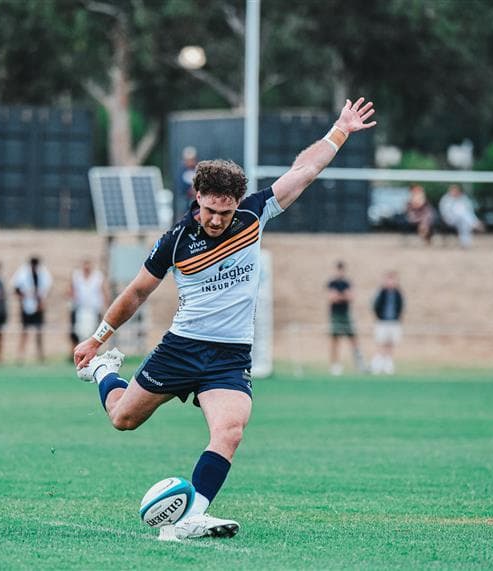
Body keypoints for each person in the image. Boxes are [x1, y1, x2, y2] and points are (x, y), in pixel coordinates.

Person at [74, 97, 376, 539]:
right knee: (123, 418)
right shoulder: (176, 240)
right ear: (197, 197)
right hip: (181, 348)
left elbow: (304, 170)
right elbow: (137, 291)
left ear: (237, 203)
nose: (216, 220)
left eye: (225, 211)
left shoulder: (254, 214)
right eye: (210, 210)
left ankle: (190, 518)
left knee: (230, 431)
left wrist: (341, 130)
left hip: (229, 356)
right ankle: (105, 371)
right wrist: (98, 340)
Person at [327, 261, 366, 375]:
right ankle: (335, 365)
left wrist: (340, 296)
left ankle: (359, 364)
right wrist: (344, 295)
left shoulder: (347, 283)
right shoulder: (332, 283)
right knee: (335, 340)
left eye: (341, 270)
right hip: (335, 314)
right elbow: (332, 298)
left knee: (353, 339)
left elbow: (351, 297)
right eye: (338, 270)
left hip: (346, 314)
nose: (340, 272)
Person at [12, 256, 52, 363]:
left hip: (39, 307)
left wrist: (42, 302)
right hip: (26, 307)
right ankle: (20, 356)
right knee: (24, 333)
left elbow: (47, 289)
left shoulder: (43, 273)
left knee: (39, 333)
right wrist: (25, 297)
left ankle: (40, 356)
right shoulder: (22, 273)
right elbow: (16, 289)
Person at [68, 259, 108, 360]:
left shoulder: (98, 277)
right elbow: (71, 290)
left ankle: (93, 354)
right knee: (76, 332)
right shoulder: (76, 276)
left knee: (94, 333)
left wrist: (105, 305)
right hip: (80, 308)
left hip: (94, 309)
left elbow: (103, 291)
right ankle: (75, 354)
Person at [370, 271, 404, 375]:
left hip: (394, 322)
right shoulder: (381, 292)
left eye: (392, 280)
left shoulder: (398, 293)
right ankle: (378, 365)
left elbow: (401, 306)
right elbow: (375, 305)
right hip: (382, 321)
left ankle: (388, 365)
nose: (390, 282)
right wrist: (378, 316)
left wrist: (398, 317)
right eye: (389, 280)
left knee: (391, 343)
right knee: (381, 343)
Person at [175, 146, 198, 216]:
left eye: (192, 160)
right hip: (185, 199)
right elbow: (179, 186)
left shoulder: (199, 170)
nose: (190, 162)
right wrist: (189, 191)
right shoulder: (181, 172)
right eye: (188, 160)